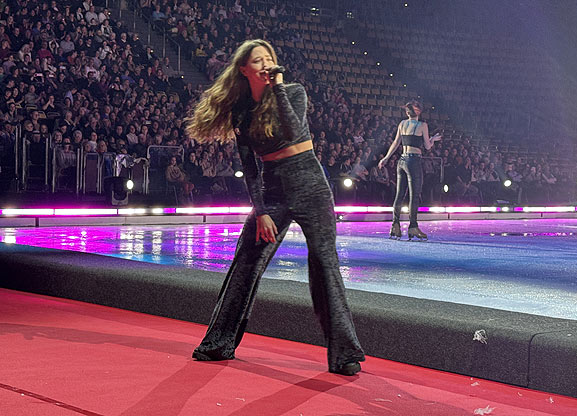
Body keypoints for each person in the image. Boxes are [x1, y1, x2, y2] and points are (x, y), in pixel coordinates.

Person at [186, 39, 365, 376]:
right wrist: (261, 211)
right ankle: (218, 342)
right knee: (246, 264)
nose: (266, 64)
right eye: (258, 60)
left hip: (311, 185)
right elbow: (250, 167)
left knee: (325, 265)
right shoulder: (241, 110)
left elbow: (294, 129)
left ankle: (344, 354)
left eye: (270, 58)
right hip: (273, 191)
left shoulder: (293, 92)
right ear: (244, 69)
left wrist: (279, 87)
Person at [378, 101, 441, 240]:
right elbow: (427, 146)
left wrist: (386, 158)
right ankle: (413, 227)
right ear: (418, 112)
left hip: (401, 160)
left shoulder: (402, 124)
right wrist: (433, 139)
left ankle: (395, 225)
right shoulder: (422, 125)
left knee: (399, 194)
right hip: (414, 160)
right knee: (414, 195)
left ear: (407, 113)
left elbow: (396, 143)